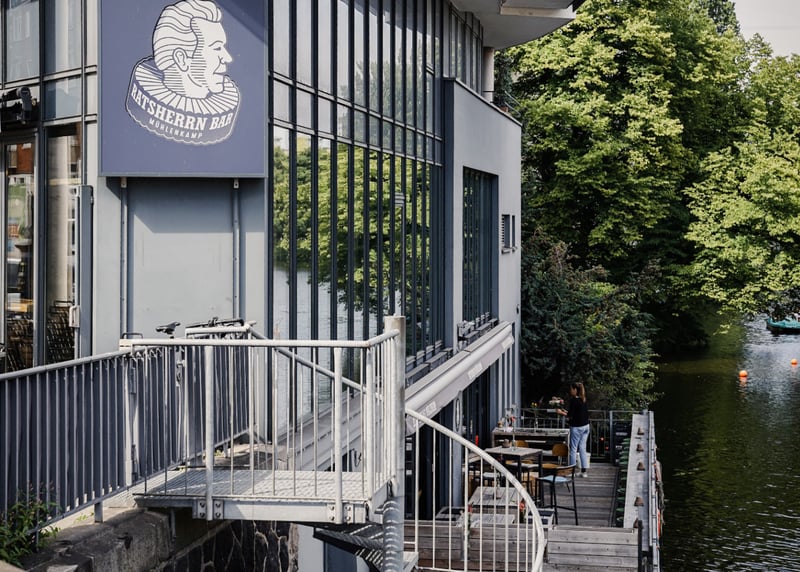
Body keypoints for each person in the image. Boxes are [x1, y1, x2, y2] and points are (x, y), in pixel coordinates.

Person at [557, 382, 590, 477]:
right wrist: (565, 411)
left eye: (571, 389)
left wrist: (560, 413)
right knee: (582, 448)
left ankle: (571, 472)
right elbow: (575, 413)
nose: (570, 391)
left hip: (577, 427)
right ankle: (584, 472)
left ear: (575, 390)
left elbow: (570, 415)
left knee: (573, 449)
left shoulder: (574, 400)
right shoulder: (583, 399)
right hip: (586, 426)